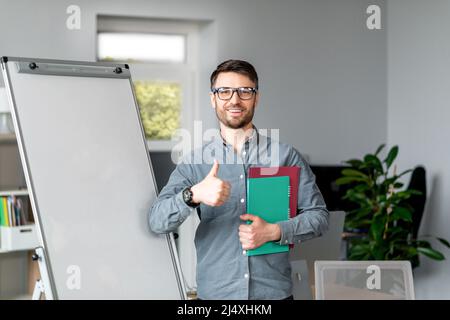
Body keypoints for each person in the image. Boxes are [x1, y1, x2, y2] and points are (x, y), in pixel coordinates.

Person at [149, 59, 329, 300]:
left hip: (274, 295)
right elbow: (157, 221)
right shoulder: (195, 162)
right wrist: (193, 195)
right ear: (213, 99)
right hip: (216, 296)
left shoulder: (285, 156)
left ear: (256, 97)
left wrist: (275, 231)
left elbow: (319, 216)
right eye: (224, 91)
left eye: (245, 91)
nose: (234, 100)